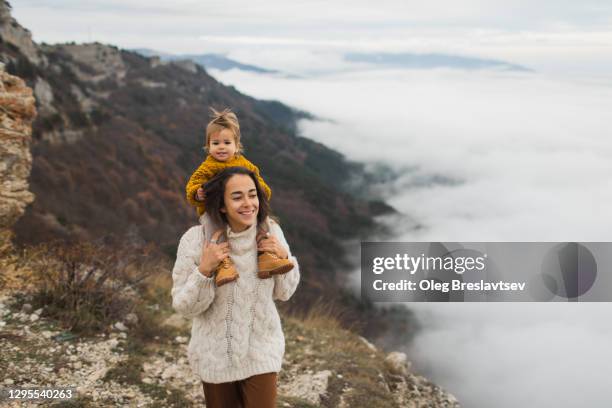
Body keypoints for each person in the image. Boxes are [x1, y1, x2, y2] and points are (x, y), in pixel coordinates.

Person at [172, 166, 300, 408]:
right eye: (237, 196)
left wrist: (284, 259)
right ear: (221, 204)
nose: (248, 203)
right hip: (215, 355)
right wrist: (205, 270)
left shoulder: (271, 232)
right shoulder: (195, 240)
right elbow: (184, 307)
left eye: (252, 195)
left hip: (262, 350)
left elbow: (284, 293)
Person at [185, 108, 293, 286]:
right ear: (208, 146)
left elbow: (259, 183)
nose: (221, 147)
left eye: (227, 142)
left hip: (243, 211)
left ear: (236, 146)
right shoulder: (207, 167)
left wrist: (261, 192)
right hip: (213, 211)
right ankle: (222, 264)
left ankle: (266, 256)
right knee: (214, 231)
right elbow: (192, 186)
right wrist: (198, 192)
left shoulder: (244, 164)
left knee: (264, 222)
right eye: (215, 143)